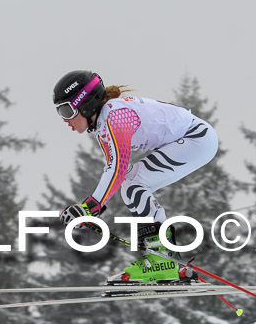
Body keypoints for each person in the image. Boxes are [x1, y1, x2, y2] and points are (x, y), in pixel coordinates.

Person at [53, 70, 219, 283]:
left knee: (132, 183)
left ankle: (162, 260)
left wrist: (89, 207)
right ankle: (162, 259)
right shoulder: (106, 120)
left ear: (85, 104)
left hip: (196, 139)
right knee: (132, 183)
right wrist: (91, 208)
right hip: (196, 139)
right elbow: (114, 169)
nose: (65, 120)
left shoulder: (113, 116)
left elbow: (117, 169)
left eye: (66, 111)